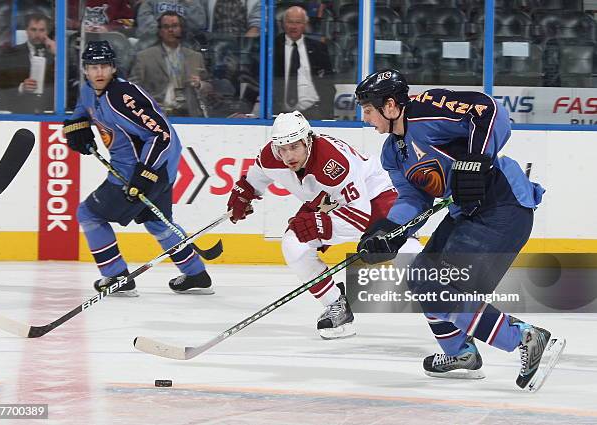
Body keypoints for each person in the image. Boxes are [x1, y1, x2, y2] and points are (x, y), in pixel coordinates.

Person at [355, 69, 565, 390]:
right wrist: (389, 231)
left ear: (392, 105)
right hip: (466, 211)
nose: (365, 118)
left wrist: (477, 159)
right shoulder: (392, 153)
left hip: (502, 204)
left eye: (368, 109)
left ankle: (525, 337)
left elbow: (489, 110)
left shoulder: (427, 109)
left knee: (444, 289)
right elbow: (415, 198)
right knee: (421, 278)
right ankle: (460, 352)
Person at [226, 110, 422, 339]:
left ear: (308, 140)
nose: (289, 155)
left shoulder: (332, 162)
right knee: (293, 244)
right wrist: (245, 192)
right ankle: (336, 306)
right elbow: (258, 175)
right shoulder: (272, 156)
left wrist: (318, 225)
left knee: (403, 251)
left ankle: (453, 302)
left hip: (373, 195)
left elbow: (358, 219)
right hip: (328, 200)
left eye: (295, 147)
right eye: (283, 149)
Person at [63, 40, 213, 297]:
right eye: (93, 67)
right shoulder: (88, 90)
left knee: (89, 214)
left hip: (143, 170)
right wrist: (76, 127)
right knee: (157, 221)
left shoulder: (122, 96)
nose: (99, 72)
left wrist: (145, 173)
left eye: (104, 66)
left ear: (113, 68)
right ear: (85, 70)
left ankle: (116, 276)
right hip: (155, 169)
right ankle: (195, 273)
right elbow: (81, 112)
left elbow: (162, 134)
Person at [130, 11, 210, 116]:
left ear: (182, 29)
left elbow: (209, 87)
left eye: (175, 26)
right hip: (156, 114)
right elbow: (131, 88)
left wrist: (200, 84)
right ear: (160, 31)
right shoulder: (144, 57)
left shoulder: (195, 57)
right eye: (166, 27)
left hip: (190, 114)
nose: (170, 30)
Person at [274, 6, 335, 120]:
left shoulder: (318, 48)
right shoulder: (273, 48)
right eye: (290, 22)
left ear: (305, 24)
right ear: (283, 24)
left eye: (298, 22)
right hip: (280, 115)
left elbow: (328, 84)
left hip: (313, 113)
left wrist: (325, 111)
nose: (293, 26)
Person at [0, 13, 55, 113]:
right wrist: (21, 88)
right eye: (33, 29)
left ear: (47, 32)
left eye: (41, 30)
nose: (37, 34)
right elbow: (2, 85)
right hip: (22, 112)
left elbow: (68, 82)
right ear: (26, 30)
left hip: (49, 112)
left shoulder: (55, 54)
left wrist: (57, 54)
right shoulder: (12, 53)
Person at [136, 0, 207, 48]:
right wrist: (164, 32)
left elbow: (199, 25)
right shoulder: (150, 1)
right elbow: (144, 23)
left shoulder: (193, 2)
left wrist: (190, 4)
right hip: (153, 45)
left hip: (184, 47)